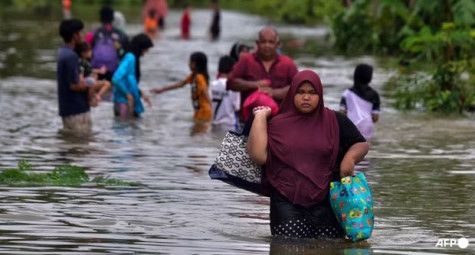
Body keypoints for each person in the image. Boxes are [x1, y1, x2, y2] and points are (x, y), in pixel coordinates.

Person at [247, 70, 369, 239]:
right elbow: (258, 155)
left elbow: (361, 143)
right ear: (292, 94)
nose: (306, 97)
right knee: (287, 247)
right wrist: (260, 116)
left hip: (328, 203)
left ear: (320, 95)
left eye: (312, 93)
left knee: (329, 248)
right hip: (286, 202)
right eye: (301, 92)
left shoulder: (334, 120)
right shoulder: (276, 124)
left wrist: (350, 158)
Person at [227, 26, 298, 122]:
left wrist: (273, 93)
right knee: (229, 137)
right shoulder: (246, 60)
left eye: (271, 42)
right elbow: (230, 83)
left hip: (278, 123)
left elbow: (297, 88)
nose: (267, 45)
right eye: (263, 42)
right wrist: (254, 85)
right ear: (257, 44)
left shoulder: (288, 63)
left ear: (277, 45)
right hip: (247, 122)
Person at [150, 52, 212, 122]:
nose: (188, 64)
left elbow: (205, 91)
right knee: (196, 132)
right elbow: (180, 84)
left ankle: (226, 133)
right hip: (198, 111)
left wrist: (213, 108)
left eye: (190, 62)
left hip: (204, 112)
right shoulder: (193, 76)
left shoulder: (199, 77)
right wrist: (162, 89)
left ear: (195, 64)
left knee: (198, 132)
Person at [57, 19, 92, 133]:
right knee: (81, 144)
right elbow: (73, 85)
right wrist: (91, 85)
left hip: (68, 108)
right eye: (81, 32)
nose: (83, 35)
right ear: (74, 35)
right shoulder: (71, 56)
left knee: (73, 145)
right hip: (76, 109)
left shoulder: (62, 52)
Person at [111, 34, 153, 118]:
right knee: (125, 128)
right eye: (146, 49)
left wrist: (140, 93)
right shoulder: (130, 58)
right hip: (124, 102)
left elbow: (129, 81)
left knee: (132, 128)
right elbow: (116, 79)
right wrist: (127, 94)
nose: (146, 52)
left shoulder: (131, 58)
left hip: (127, 102)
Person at [340, 64, 380, 140]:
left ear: (355, 75)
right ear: (370, 78)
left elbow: (342, 113)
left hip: (351, 126)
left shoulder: (347, 93)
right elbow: (375, 118)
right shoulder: (374, 94)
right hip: (367, 126)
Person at [91, 6, 129, 82]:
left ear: (100, 18)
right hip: (114, 69)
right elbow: (126, 53)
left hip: (96, 70)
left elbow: (88, 52)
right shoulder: (121, 34)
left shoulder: (93, 34)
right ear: (112, 18)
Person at [75, 42, 111, 107]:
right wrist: (90, 78)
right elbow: (81, 76)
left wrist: (99, 71)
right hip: (87, 82)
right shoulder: (81, 62)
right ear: (83, 53)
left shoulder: (86, 62)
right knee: (92, 82)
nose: (91, 52)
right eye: (89, 50)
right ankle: (90, 100)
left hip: (91, 80)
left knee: (107, 84)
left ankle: (97, 96)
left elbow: (90, 70)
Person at [211, 56, 240, 131]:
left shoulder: (212, 85)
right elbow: (237, 108)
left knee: (213, 142)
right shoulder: (234, 87)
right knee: (234, 142)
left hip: (214, 125)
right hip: (229, 126)